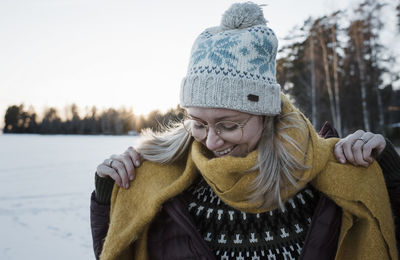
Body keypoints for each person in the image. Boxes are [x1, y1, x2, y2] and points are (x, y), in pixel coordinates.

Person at [90, 2, 400, 259]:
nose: (211, 141)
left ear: (266, 115)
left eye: (228, 125)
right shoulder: (159, 183)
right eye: (198, 124)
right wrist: (109, 200)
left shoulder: (333, 177)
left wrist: (388, 179)